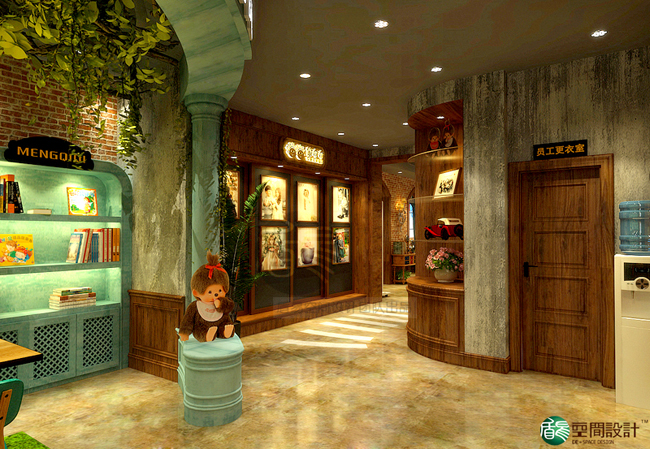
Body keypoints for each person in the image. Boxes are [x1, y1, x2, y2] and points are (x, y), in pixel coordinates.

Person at [178, 251, 235, 342]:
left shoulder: (223, 301)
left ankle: (225, 331)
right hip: (203, 326)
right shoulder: (195, 306)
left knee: (226, 323)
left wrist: (221, 304)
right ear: (196, 293)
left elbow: (230, 306)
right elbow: (188, 320)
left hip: (221, 322)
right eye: (210, 292)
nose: (216, 294)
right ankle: (206, 335)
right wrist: (184, 332)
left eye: (220, 291)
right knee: (200, 330)